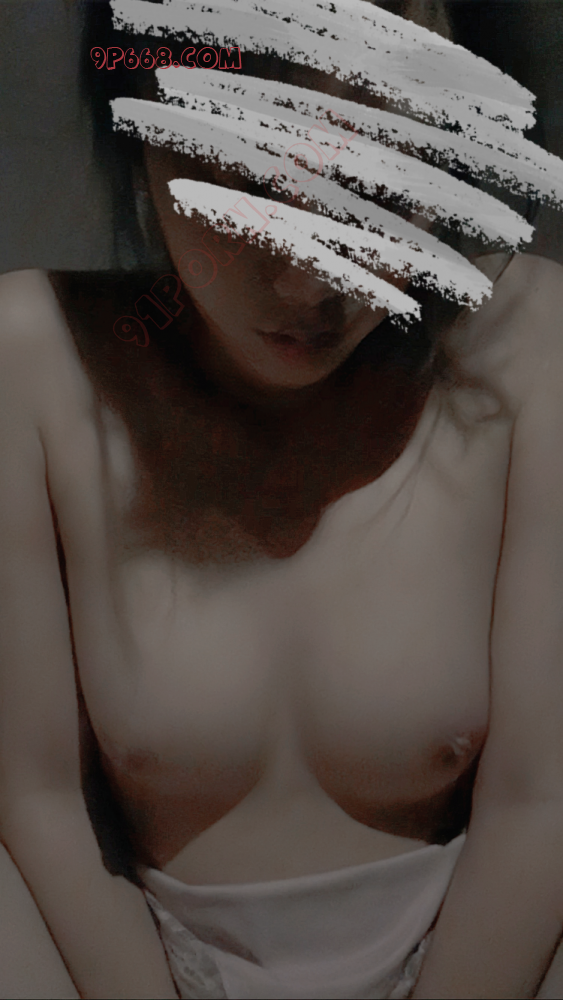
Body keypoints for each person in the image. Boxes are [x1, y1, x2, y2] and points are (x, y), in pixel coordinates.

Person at [2, 1, 563, 997]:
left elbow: (540, 799)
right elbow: (35, 796)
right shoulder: (35, 361)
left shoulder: (533, 348)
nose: (313, 280)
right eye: (245, 181)